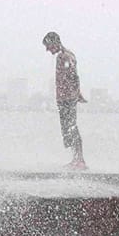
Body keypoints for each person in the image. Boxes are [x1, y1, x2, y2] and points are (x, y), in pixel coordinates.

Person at [43, 31, 87, 170]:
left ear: (55, 42)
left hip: (68, 98)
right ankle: (76, 159)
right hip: (64, 98)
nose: (47, 49)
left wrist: (77, 93)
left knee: (72, 127)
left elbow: (74, 75)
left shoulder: (65, 56)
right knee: (68, 129)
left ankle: (80, 160)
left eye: (48, 46)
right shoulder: (63, 56)